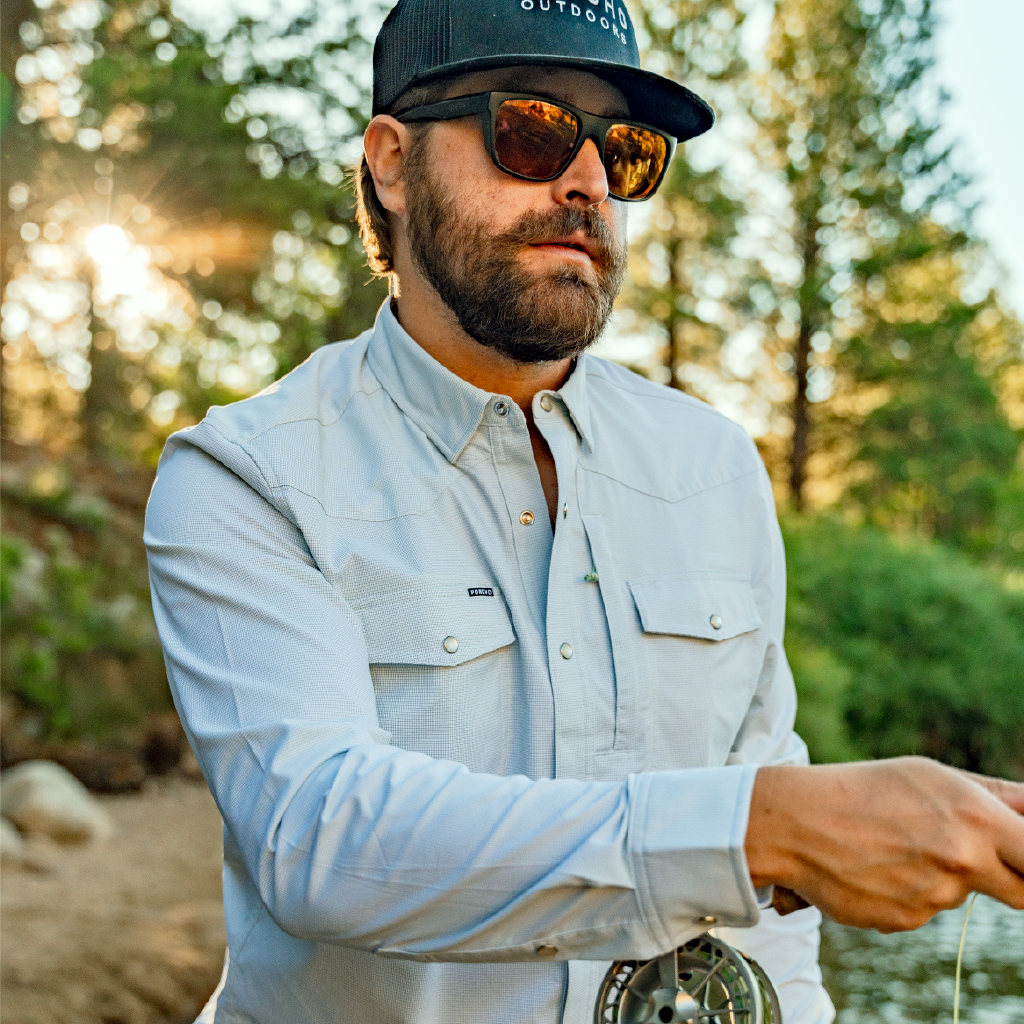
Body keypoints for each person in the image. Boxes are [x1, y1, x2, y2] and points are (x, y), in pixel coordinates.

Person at [144, 1, 1024, 1022]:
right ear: (390, 163)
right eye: (533, 130)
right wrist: (756, 830)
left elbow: (772, 924)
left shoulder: (713, 467)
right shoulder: (243, 474)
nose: (589, 181)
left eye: (625, 151)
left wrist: (774, 840)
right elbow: (319, 839)